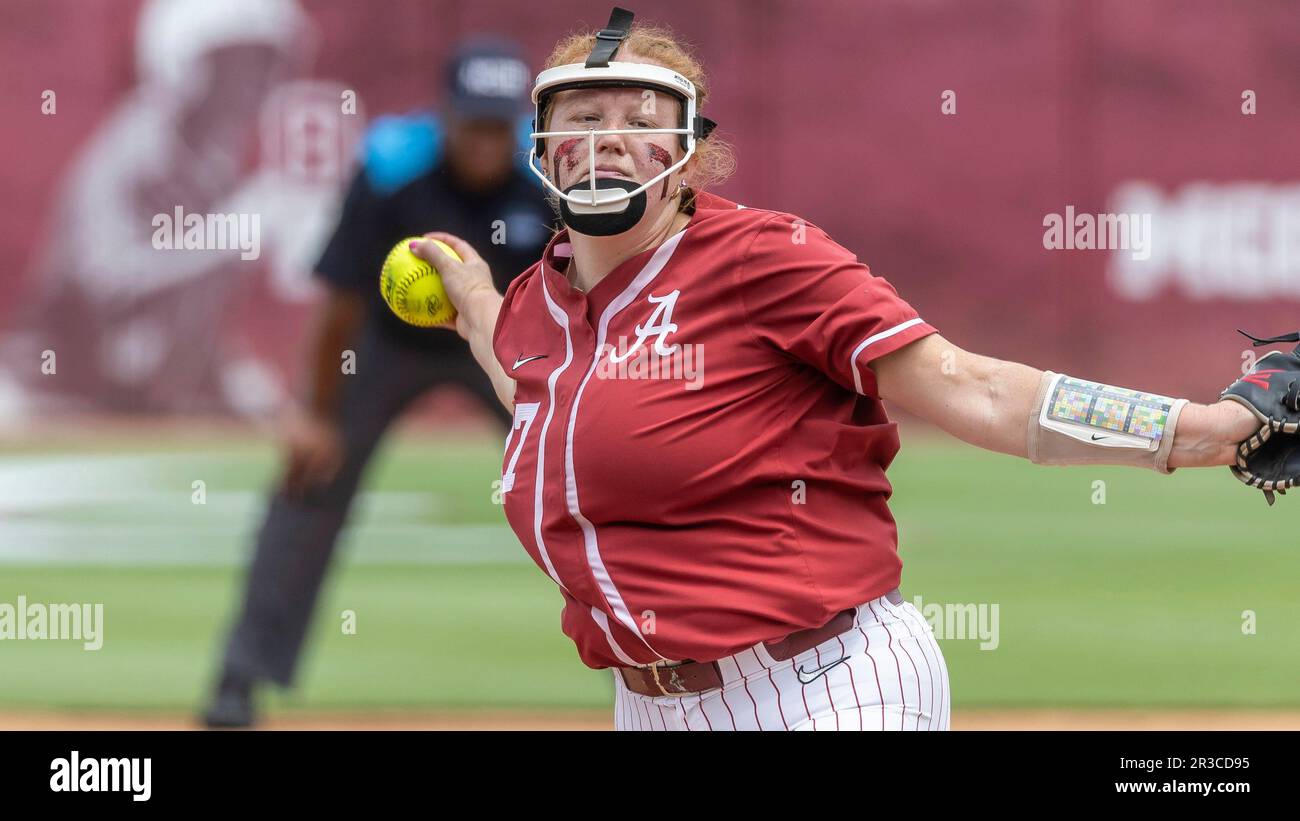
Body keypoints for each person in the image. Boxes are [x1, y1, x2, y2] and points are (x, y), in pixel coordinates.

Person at [411, 7, 1261, 731]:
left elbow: (975, 390)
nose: (609, 140)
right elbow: (534, 379)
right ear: (546, 144)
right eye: (583, 117)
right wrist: (474, 299)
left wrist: (1202, 432)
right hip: (650, 707)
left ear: (688, 149)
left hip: (824, 686)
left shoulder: (761, 260)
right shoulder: (534, 306)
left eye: (640, 119)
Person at [202, 38, 555, 728]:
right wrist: (316, 415)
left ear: (513, 121)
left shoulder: (545, 175)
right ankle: (238, 679)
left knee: (583, 481)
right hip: (387, 346)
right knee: (309, 481)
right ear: (444, 115)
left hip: (503, 340)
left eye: (496, 124)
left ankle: (651, 668)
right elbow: (340, 301)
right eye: (470, 122)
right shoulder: (392, 166)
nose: (483, 141)